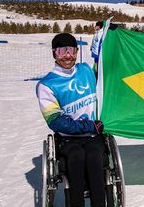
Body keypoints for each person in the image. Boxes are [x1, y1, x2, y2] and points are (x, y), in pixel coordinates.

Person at [36, 33, 105, 207]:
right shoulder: (47, 84)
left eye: (71, 50)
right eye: (61, 51)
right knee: (76, 156)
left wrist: (108, 36)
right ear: (54, 54)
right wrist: (87, 125)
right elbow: (55, 121)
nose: (67, 55)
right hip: (67, 138)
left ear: (76, 52)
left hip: (92, 135)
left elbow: (105, 65)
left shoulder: (86, 70)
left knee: (95, 155)